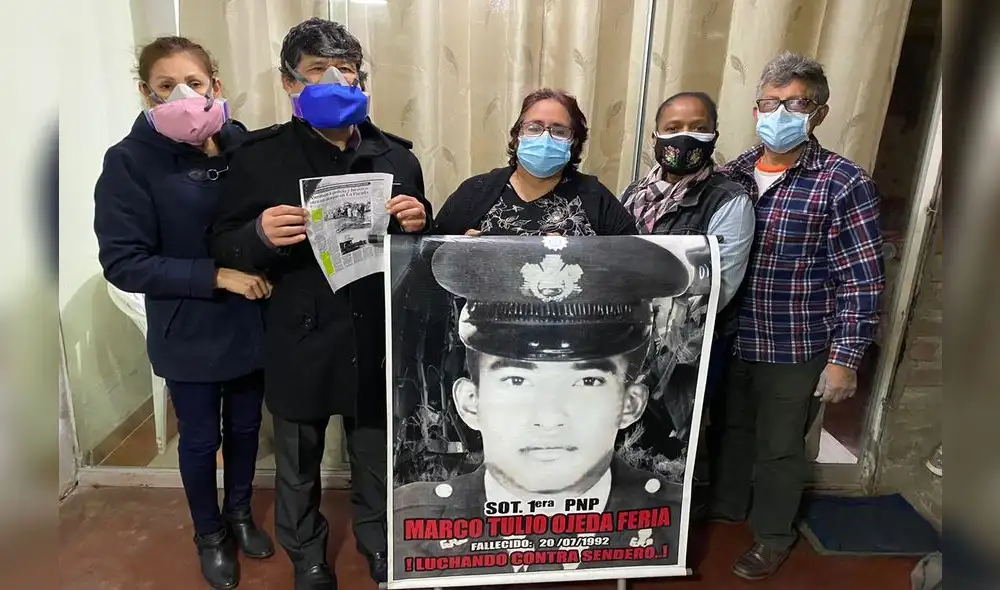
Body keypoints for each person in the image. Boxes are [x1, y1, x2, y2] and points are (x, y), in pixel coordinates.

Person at [209, 18, 431, 590]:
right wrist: (257, 234)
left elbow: (415, 249)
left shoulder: (396, 157)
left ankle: (381, 544)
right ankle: (307, 555)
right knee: (298, 461)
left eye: (348, 71)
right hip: (299, 332)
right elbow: (223, 242)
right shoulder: (260, 159)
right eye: (317, 71)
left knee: (376, 452)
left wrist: (416, 222)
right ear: (290, 84)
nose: (336, 79)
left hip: (374, 331)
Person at [392, 235, 689, 579]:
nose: (549, 419)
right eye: (517, 381)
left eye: (587, 382)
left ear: (630, 403)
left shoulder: (672, 522)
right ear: (470, 404)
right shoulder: (410, 522)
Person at [94, 36, 274, 589]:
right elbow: (124, 262)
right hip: (187, 325)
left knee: (246, 428)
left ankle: (239, 514)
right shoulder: (129, 162)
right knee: (199, 439)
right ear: (146, 93)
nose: (183, 95)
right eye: (166, 86)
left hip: (251, 317)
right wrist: (215, 275)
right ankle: (209, 534)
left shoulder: (246, 146)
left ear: (215, 86)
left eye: (194, 83)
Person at [712, 51, 885, 580]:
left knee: (781, 447)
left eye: (795, 103)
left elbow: (862, 275)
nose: (779, 112)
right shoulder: (733, 173)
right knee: (730, 430)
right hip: (731, 336)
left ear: (820, 112)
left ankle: (773, 535)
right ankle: (726, 508)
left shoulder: (841, 181)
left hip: (794, 344)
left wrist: (845, 359)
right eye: (770, 101)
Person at [619, 91, 755, 516]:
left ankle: (669, 527)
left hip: (687, 346)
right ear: (656, 135)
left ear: (714, 134)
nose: (684, 138)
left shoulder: (729, 200)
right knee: (627, 430)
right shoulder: (636, 191)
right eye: (674, 128)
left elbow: (721, 284)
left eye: (697, 127)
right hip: (628, 337)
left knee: (676, 433)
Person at [434, 88, 637, 236]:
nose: (545, 138)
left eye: (559, 131)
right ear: (517, 135)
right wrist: (459, 253)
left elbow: (631, 265)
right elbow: (430, 258)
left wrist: (581, 256)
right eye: (534, 128)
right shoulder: (475, 191)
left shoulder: (595, 197)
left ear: (574, 141)